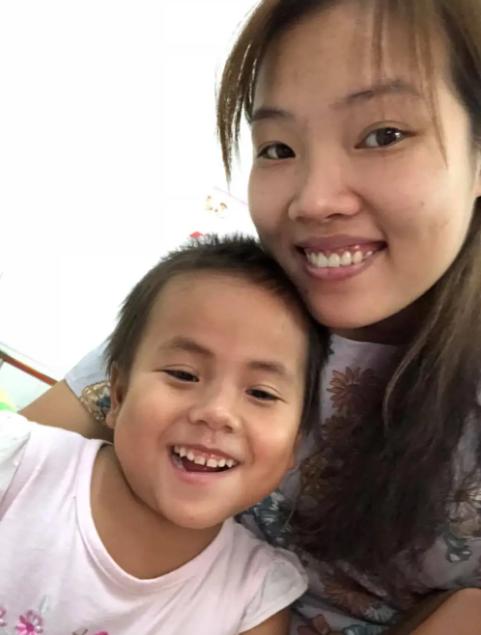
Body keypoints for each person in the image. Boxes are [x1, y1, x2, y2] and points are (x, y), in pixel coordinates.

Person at [22, 0, 481, 632]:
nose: (313, 201)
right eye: (278, 147)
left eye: (384, 135)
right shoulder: (224, 316)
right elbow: (35, 468)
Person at [1, 235, 326, 635]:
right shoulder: (18, 462)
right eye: (183, 374)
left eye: (261, 393)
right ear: (118, 394)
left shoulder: (254, 602)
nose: (217, 413)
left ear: (295, 443)